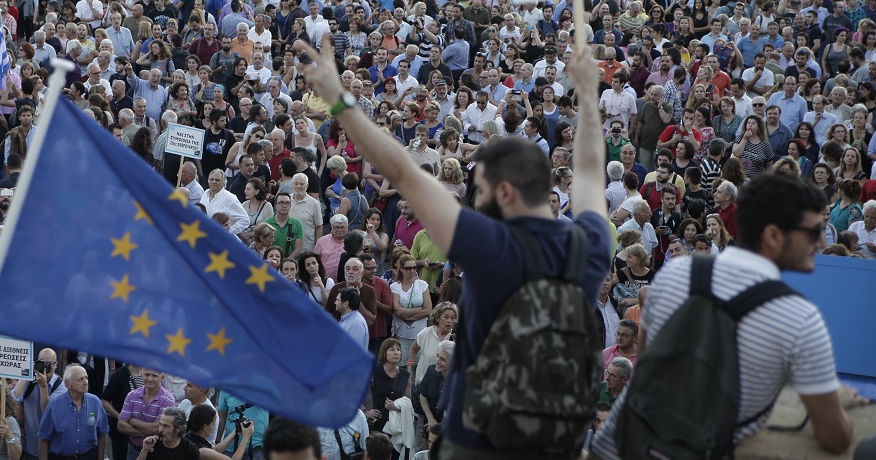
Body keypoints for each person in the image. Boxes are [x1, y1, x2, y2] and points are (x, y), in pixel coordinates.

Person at [294, 32, 611, 456]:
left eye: (478, 189)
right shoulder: (589, 242)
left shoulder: (491, 243)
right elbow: (591, 171)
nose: (472, 200)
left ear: (506, 192)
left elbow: (403, 171)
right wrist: (588, 95)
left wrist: (338, 101)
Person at [591, 172, 870, 457]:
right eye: (813, 231)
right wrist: (836, 400)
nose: (822, 242)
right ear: (773, 235)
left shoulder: (674, 275)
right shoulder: (800, 317)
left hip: (618, 444)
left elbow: (647, 365)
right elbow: (835, 438)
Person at [38, 364, 108, 460]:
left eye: (86, 378)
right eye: (80, 379)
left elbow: (102, 433)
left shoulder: (95, 402)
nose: (86, 382)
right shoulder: (54, 405)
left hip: (88, 456)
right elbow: (43, 439)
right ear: (67, 384)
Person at [11, 348, 59, 460]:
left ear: (56, 365)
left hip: (52, 449)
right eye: (42, 363)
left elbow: (47, 411)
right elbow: (15, 398)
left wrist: (43, 386)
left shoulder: (60, 386)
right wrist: (27, 374)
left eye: (50, 364)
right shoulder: (30, 380)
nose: (46, 367)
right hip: (30, 446)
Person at [117, 369, 176, 460]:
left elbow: (159, 430)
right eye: (147, 375)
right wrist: (150, 430)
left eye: (154, 375)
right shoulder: (131, 395)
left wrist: (133, 421)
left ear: (162, 377)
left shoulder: (168, 399)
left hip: (157, 451)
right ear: (141, 375)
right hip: (133, 450)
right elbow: (121, 426)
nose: (150, 378)